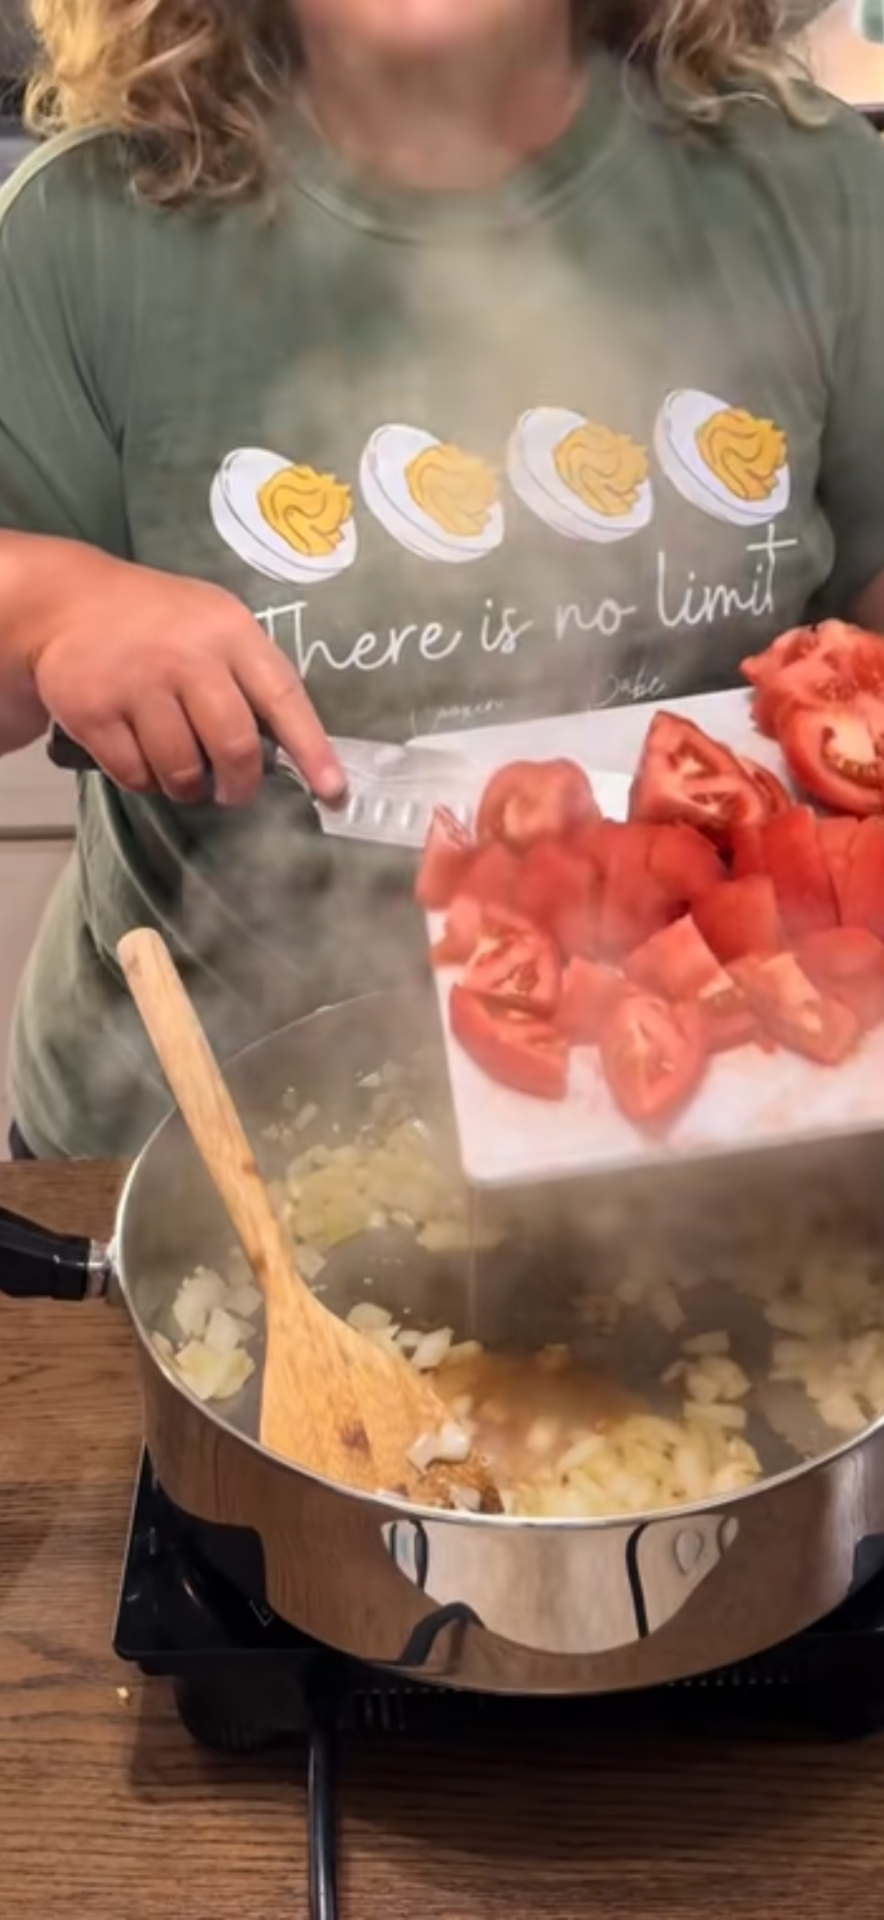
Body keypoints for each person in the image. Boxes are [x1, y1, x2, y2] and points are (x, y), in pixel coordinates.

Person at [1, 0, 884, 1160]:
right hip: (195, 1141)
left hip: (701, 1111)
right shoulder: (84, 230)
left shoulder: (810, 184)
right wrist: (52, 604)